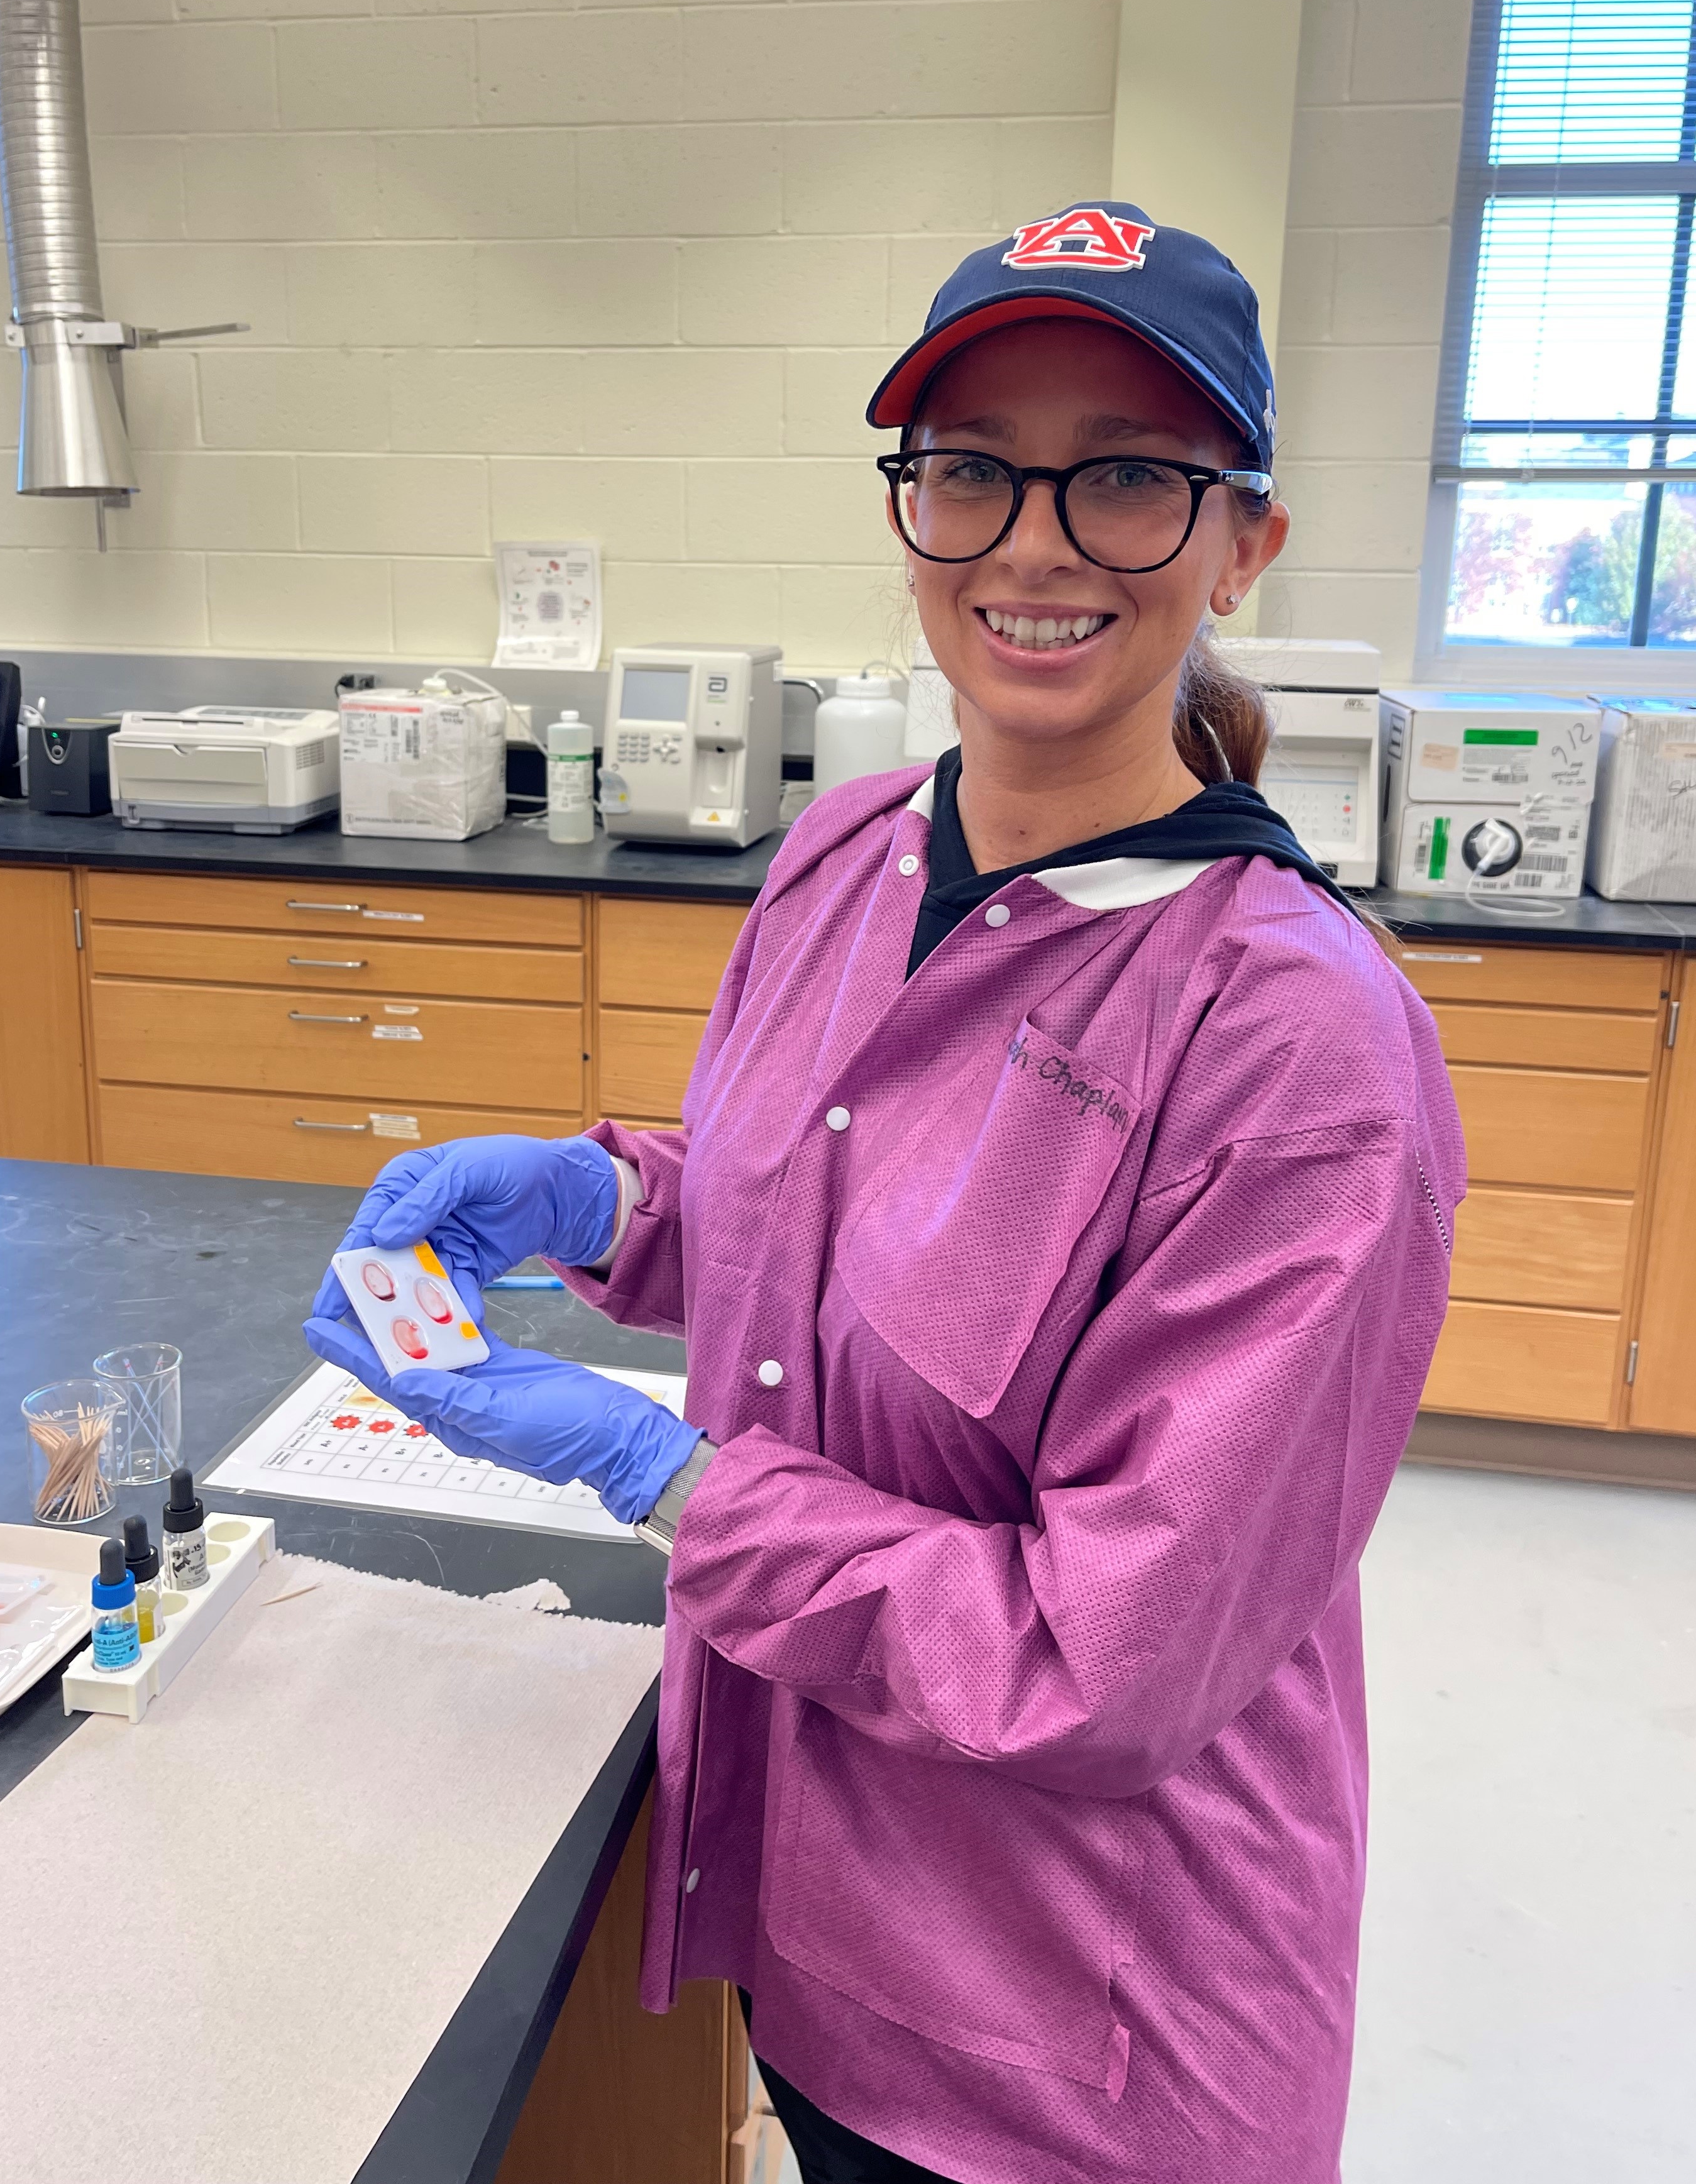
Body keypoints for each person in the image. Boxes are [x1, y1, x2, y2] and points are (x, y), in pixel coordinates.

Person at [307, 202, 1466, 2184]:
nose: (1032, 540)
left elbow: (1098, 1662)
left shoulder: (1296, 1048)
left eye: (1125, 476)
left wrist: (654, 1476)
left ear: (1242, 543)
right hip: (810, 1908)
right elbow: (827, 1239)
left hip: (1080, 2038)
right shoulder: (841, 851)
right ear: (910, 507)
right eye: (970, 470)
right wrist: (602, 1202)